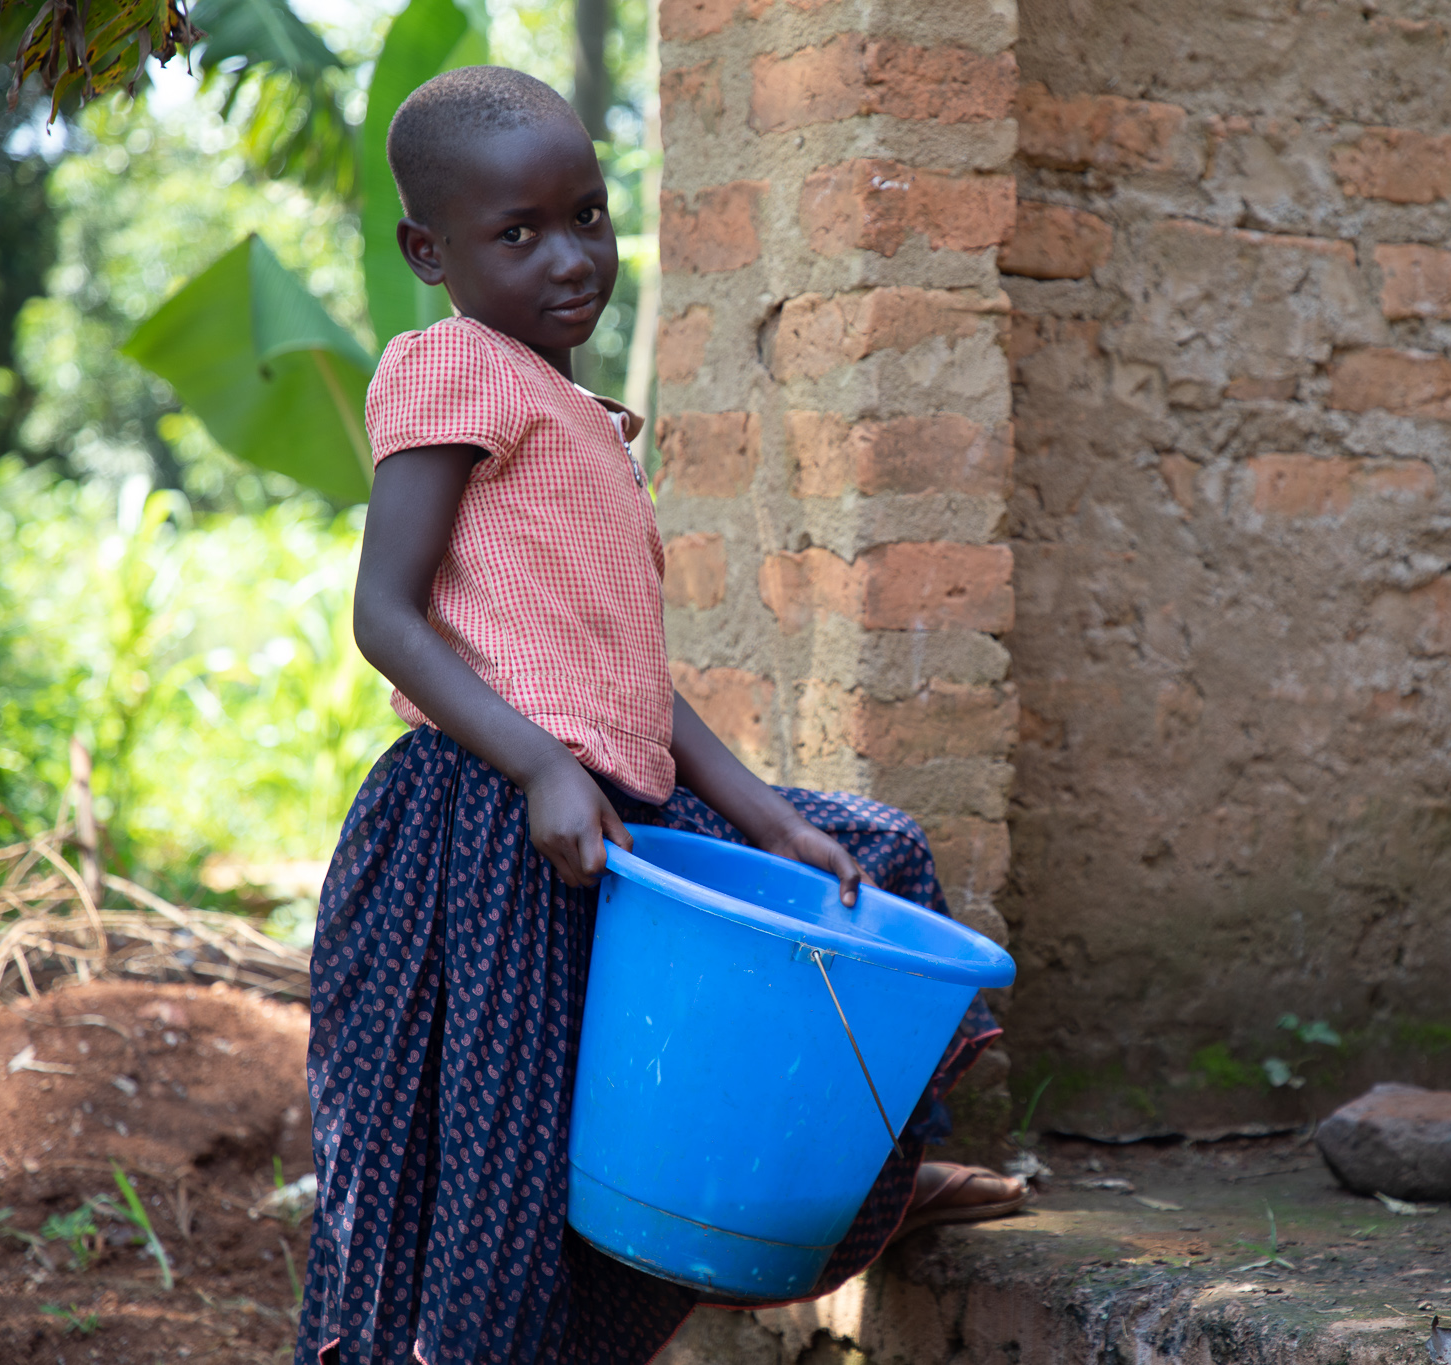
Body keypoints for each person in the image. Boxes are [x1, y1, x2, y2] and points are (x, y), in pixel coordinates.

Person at [297, 65, 1025, 1365]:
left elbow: (624, 680)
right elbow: (386, 616)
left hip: (618, 816)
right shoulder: (453, 366)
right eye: (516, 235)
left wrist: (763, 816)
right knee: (505, 1170)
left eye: (586, 215)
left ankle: (855, 1193)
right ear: (429, 251)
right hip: (491, 826)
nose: (569, 257)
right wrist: (534, 767)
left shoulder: (576, 415)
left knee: (873, 859)